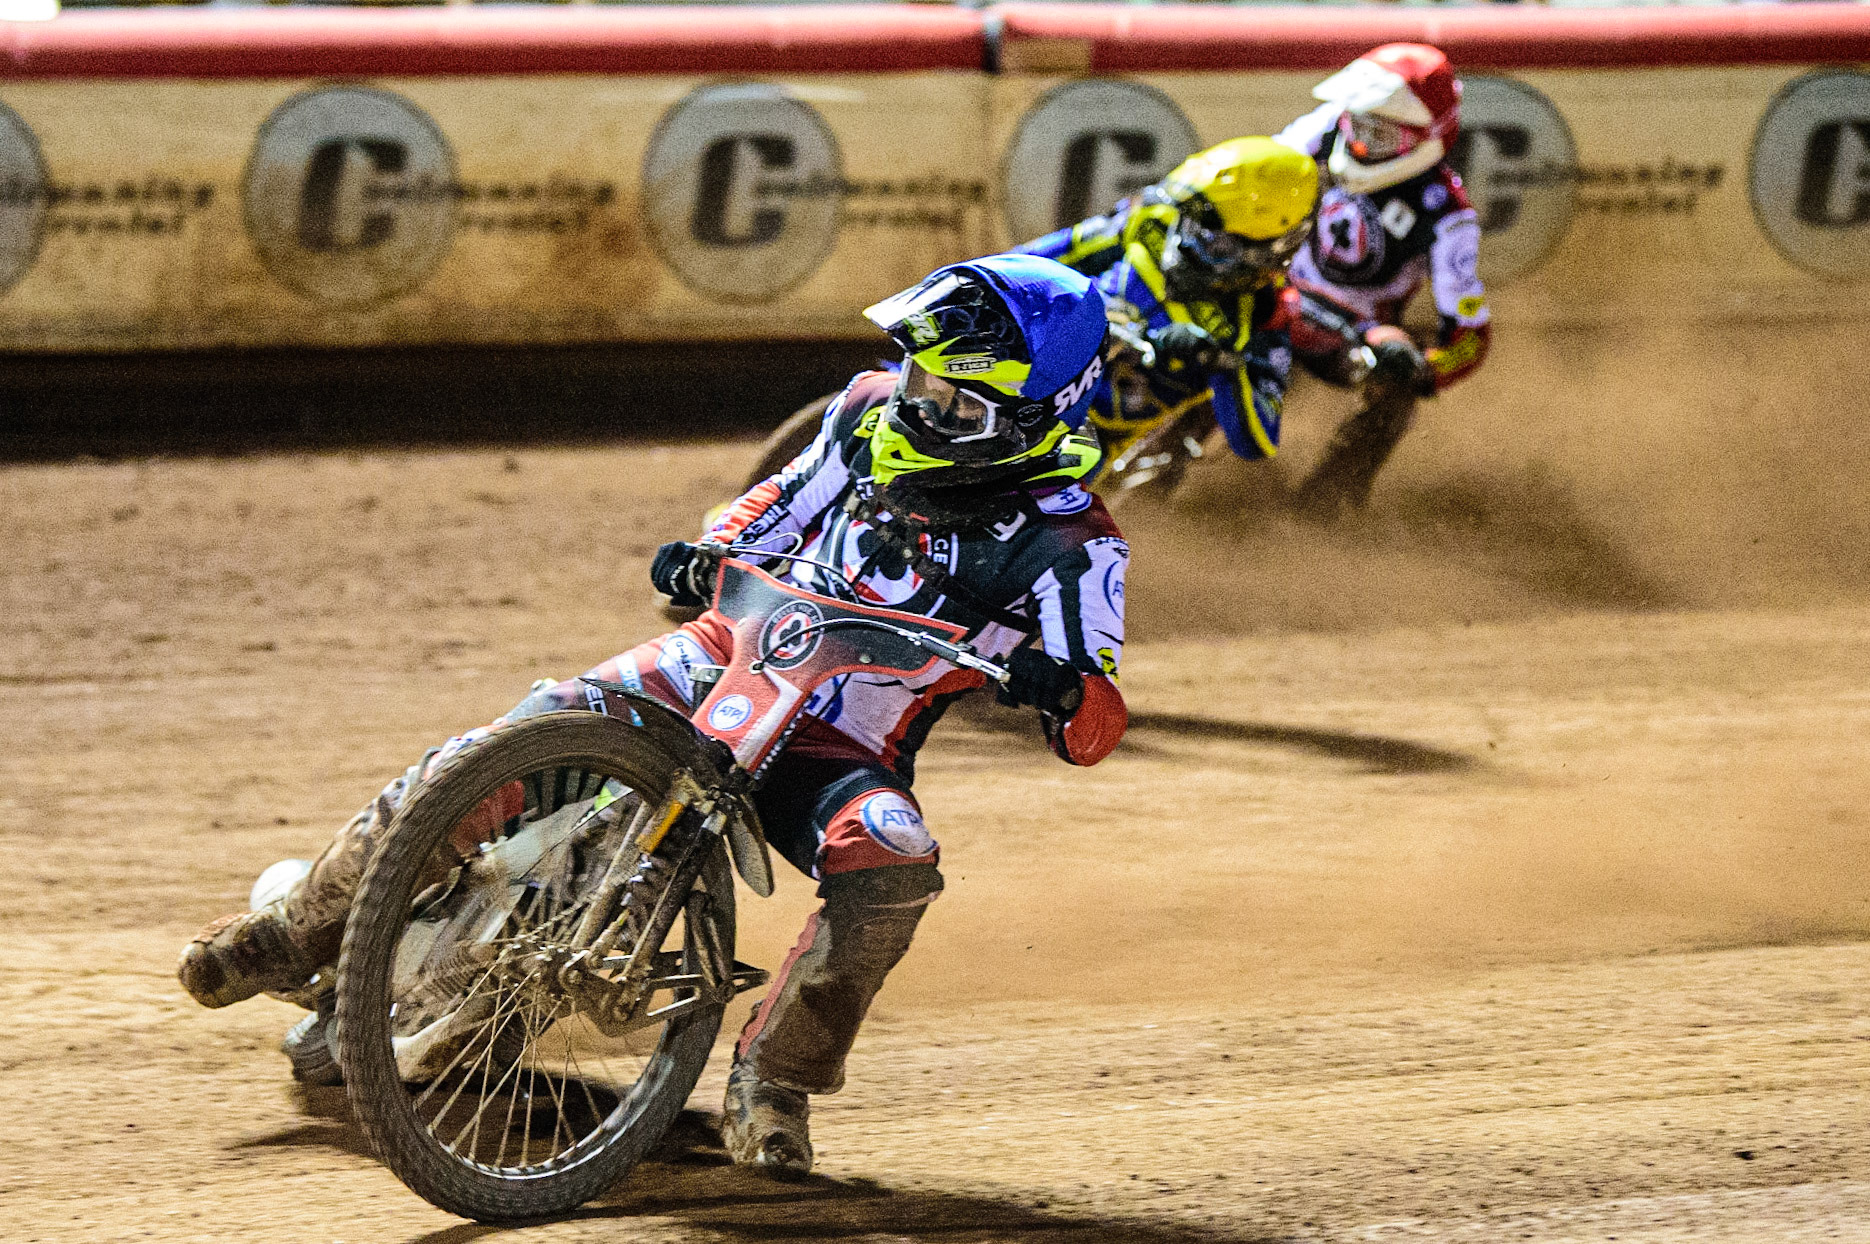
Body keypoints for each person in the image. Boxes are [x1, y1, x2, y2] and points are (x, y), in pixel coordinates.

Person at [176, 253, 1131, 1177]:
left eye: (956, 401)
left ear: (1034, 414)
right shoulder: (864, 414)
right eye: (923, 377)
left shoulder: (1074, 544)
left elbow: (1094, 724)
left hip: (838, 746)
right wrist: (709, 548)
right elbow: (776, 504)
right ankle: (290, 933)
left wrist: (1062, 690)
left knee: (892, 862)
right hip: (717, 655)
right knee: (522, 736)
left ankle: (776, 1085)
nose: (922, 404)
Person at [1015, 136, 1320, 489]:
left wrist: (1220, 363)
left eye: (1215, 242)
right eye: (1192, 224)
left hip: (1087, 440)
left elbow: (1257, 441)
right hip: (1023, 371)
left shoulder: (1262, 320)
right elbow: (1033, 261)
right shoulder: (1152, 220)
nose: (1188, 243)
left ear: (1264, 254)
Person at [1275, 42, 1492, 516]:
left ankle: (1324, 506)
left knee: (1396, 388)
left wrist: (1422, 370)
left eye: (1382, 135)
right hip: (1278, 298)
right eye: (1359, 127)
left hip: (1352, 336)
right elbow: (1262, 165)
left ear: (1427, 138)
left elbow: (1471, 331)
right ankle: (1144, 461)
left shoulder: (1446, 214)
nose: (1361, 143)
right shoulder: (1329, 124)